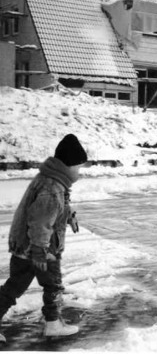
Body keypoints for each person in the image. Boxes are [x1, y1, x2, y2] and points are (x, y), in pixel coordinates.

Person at [0, 134, 87, 343]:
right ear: (68, 165)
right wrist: (40, 251)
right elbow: (40, 221)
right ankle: (53, 323)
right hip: (42, 249)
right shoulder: (53, 188)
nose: (80, 171)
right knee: (53, 285)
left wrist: (68, 215)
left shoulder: (50, 180)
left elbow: (51, 210)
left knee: (14, 287)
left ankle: (53, 322)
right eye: (78, 166)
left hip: (26, 245)